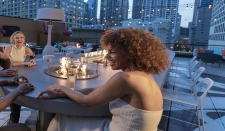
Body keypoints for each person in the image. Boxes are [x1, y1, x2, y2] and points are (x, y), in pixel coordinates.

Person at [37, 27, 171, 131]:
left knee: (62, 118)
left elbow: (87, 101)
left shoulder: (126, 78)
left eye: (112, 52)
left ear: (130, 53)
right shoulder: (143, 75)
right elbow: (96, 89)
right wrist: (62, 94)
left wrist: (61, 87)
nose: (107, 56)